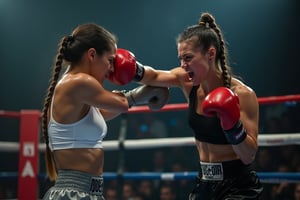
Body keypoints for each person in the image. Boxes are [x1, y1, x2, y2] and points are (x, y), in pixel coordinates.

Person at [108, 12, 263, 199]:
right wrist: (129, 66)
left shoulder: (243, 94)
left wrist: (232, 125)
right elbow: (155, 76)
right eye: (180, 59)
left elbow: (248, 155)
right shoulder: (187, 81)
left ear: (210, 54)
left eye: (188, 58)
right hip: (204, 182)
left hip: (238, 186)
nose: (183, 65)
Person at [41, 23, 169, 200]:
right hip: (73, 193)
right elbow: (122, 104)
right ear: (92, 55)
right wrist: (141, 92)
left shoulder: (77, 89)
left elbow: (102, 112)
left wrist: (140, 96)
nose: (111, 68)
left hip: (88, 191)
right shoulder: (79, 81)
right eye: (110, 60)